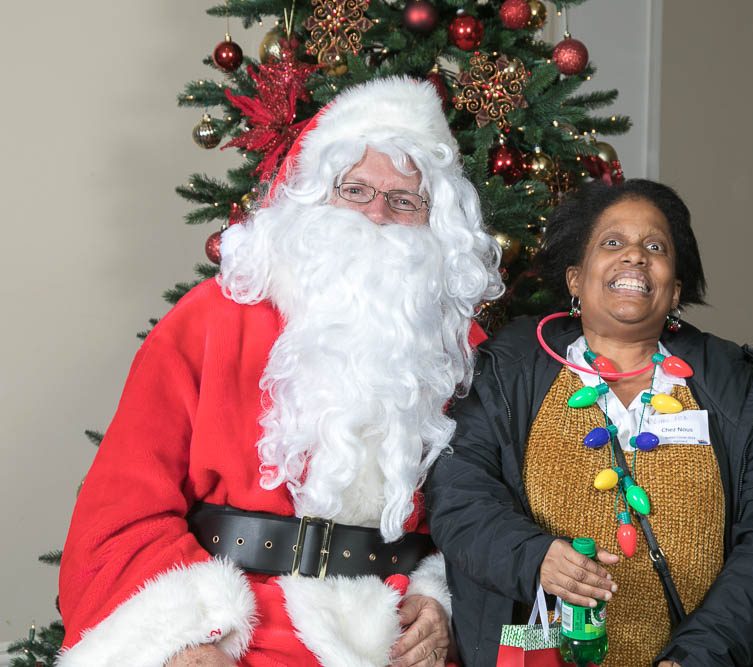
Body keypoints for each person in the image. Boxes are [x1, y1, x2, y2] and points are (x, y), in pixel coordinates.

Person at [57, 77, 503, 667]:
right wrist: (182, 641)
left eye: (404, 201)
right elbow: (122, 507)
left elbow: (490, 510)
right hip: (234, 631)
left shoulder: (460, 348)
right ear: (316, 199)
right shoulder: (211, 319)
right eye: (357, 190)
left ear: (434, 223)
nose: (377, 215)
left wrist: (439, 597)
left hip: (395, 637)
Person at [426, 179, 753, 666]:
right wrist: (533, 557)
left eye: (655, 247)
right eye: (612, 243)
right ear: (575, 278)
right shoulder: (504, 372)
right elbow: (458, 496)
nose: (635, 256)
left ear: (675, 289)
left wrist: (700, 656)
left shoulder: (736, 387)